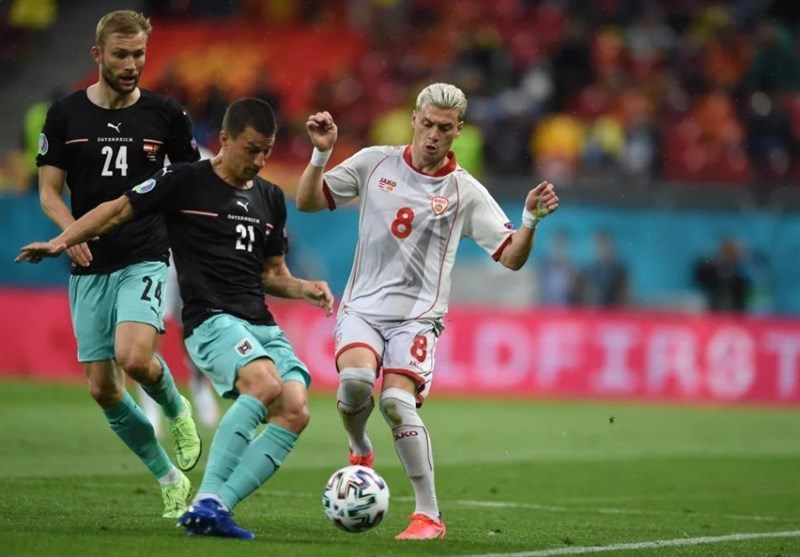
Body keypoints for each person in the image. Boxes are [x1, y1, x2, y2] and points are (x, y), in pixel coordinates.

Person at [18, 98, 335, 540]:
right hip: (211, 319)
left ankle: (217, 506)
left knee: (296, 409)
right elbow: (117, 210)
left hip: (259, 323)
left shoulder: (269, 197)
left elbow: (271, 274)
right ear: (224, 140)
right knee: (263, 385)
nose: (259, 160)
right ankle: (206, 497)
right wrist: (62, 241)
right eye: (251, 149)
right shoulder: (184, 180)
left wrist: (303, 288)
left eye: (266, 150)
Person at [296, 82, 559, 540]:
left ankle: (428, 516)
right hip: (363, 307)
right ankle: (360, 446)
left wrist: (530, 220)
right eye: (428, 124)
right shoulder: (375, 162)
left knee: (396, 403)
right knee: (355, 382)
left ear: (458, 131)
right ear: (414, 119)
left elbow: (512, 257)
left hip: (418, 317)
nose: (433, 135)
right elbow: (307, 200)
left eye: (445, 128)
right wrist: (321, 154)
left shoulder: (465, 191)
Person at [34, 10, 201, 519]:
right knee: (103, 388)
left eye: (139, 54)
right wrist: (71, 235)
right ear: (98, 55)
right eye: (121, 54)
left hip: (144, 254)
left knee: (134, 358)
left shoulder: (166, 115)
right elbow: (49, 192)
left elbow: (190, 182)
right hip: (88, 262)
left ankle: (176, 407)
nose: (131, 65)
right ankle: (168, 477)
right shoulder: (65, 115)